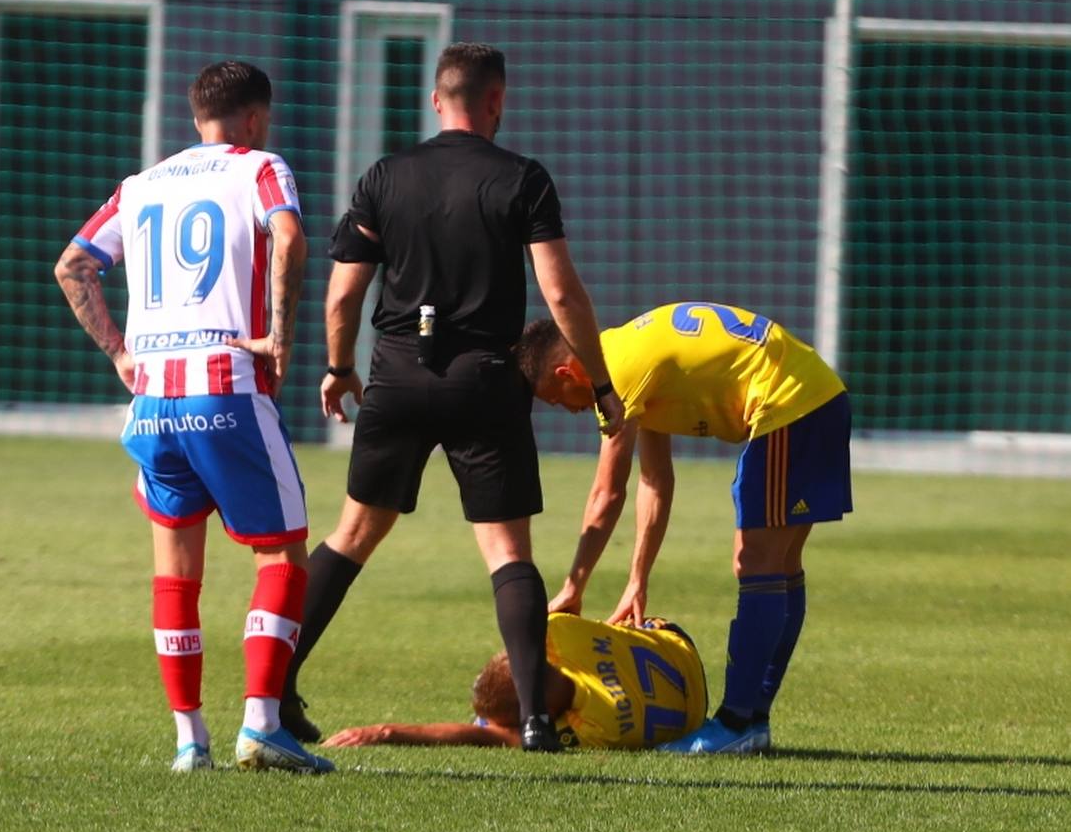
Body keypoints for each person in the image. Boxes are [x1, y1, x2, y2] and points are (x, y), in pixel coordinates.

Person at [281, 42, 626, 753]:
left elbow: (344, 291)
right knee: (506, 551)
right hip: (483, 379)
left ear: (436, 100)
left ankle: (273, 688)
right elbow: (559, 291)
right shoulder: (522, 180)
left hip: (399, 372)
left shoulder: (384, 175)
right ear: (497, 102)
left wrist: (340, 367)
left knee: (351, 535)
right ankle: (534, 718)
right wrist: (598, 380)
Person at [54, 60, 332, 774]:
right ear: (253, 118)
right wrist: (280, 339)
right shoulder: (261, 166)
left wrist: (119, 351)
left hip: (150, 401)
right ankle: (262, 724)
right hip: (223, 385)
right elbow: (291, 238)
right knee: (281, 554)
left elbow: (72, 266)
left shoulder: (141, 185)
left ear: (195, 115)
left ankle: (188, 741)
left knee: (175, 571)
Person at [515, 301, 852, 754]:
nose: (569, 411)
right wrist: (637, 580)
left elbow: (607, 494)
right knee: (777, 565)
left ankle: (737, 723)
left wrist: (574, 585)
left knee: (758, 562)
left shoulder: (616, 373)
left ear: (565, 373)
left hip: (788, 405)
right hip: (814, 397)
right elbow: (655, 481)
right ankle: (752, 720)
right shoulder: (628, 357)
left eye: (558, 401)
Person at [322, 613, 706, 750]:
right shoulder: (557, 630)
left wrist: (386, 732)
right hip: (674, 640)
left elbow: (483, 737)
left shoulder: (592, 729)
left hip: (695, 711)